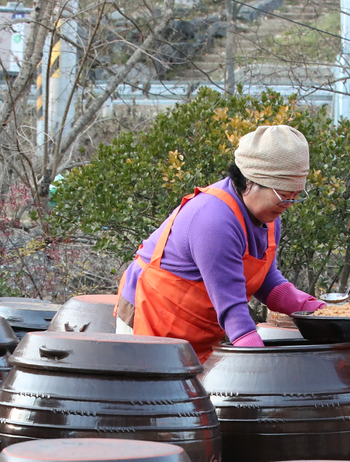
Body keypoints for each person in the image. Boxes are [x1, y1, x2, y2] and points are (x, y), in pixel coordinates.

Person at [115, 124, 324, 361]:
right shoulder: (214, 221)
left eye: (296, 196)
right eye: (284, 196)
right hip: (155, 314)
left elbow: (267, 281)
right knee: (158, 395)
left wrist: (319, 312)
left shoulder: (269, 217)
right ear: (251, 182)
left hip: (200, 324)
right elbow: (232, 307)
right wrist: (264, 366)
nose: (289, 204)